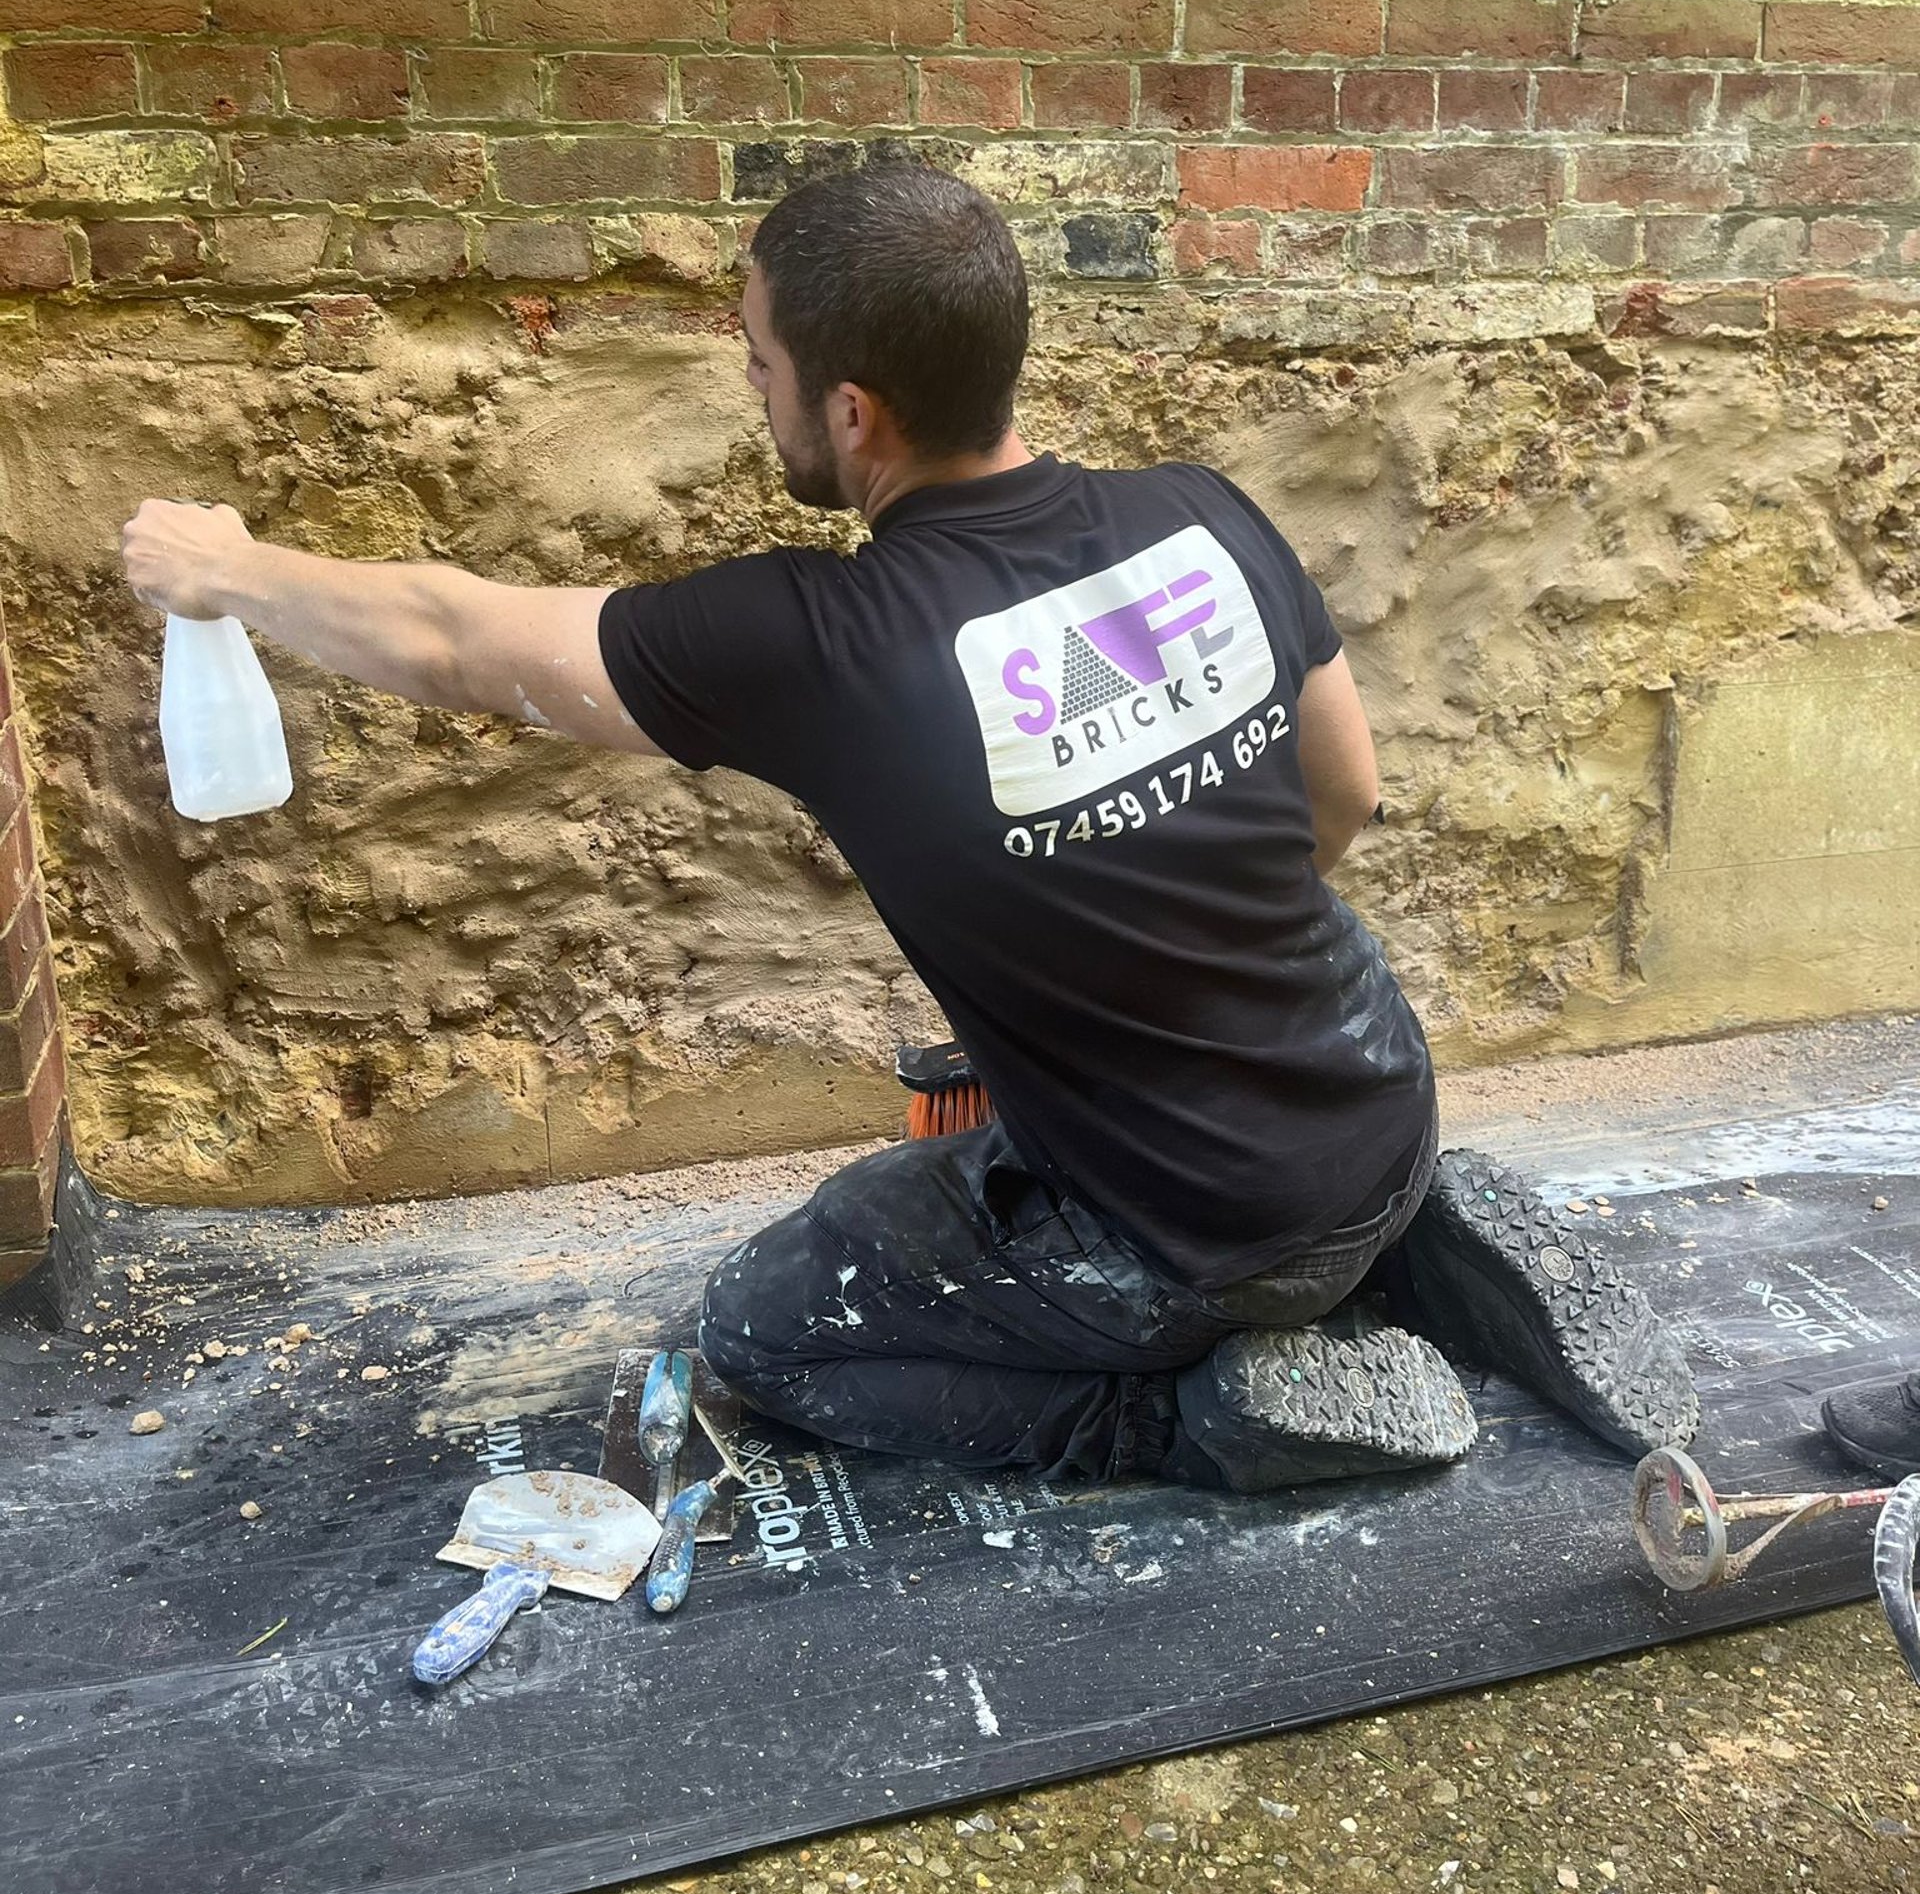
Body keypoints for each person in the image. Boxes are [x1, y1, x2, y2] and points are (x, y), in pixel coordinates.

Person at [121, 164, 1699, 1490]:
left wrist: (228, 572)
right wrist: (1163, 959)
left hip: (1194, 1236)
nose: (754, 389)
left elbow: (461, 641)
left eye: (759, 364)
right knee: (1192, 1175)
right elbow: (1342, 798)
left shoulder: (828, 648)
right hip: (1378, 1101)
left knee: (767, 1331)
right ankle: (1411, 1243)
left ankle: (1198, 1417)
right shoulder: (1202, 514)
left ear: (853, 409)